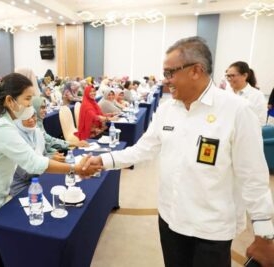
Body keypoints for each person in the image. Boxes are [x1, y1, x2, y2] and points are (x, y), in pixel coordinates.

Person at [85, 36, 274, 267]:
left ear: (196, 70)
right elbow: (142, 150)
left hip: (211, 229)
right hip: (170, 220)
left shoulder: (237, 111)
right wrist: (102, 160)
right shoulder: (167, 111)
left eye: (170, 73)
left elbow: (253, 176)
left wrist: (264, 233)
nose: (166, 81)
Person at [0, 73, 101, 267]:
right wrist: (75, 168)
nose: (31, 105)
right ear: (10, 101)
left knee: (0, 248)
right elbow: (33, 163)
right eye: (27, 99)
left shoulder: (1, 121)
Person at [9, 107, 66, 197]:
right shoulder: (14, 139)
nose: (31, 120)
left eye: (33, 116)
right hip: (23, 187)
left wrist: (52, 156)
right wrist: (50, 159)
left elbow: (42, 154)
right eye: (26, 117)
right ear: (18, 120)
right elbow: (26, 173)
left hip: (40, 178)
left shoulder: (36, 132)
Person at [225, 61, 266, 126]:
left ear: (245, 75)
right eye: (227, 76)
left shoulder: (257, 95)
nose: (229, 79)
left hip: (246, 134)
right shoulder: (226, 93)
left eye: (232, 75)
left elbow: (261, 122)